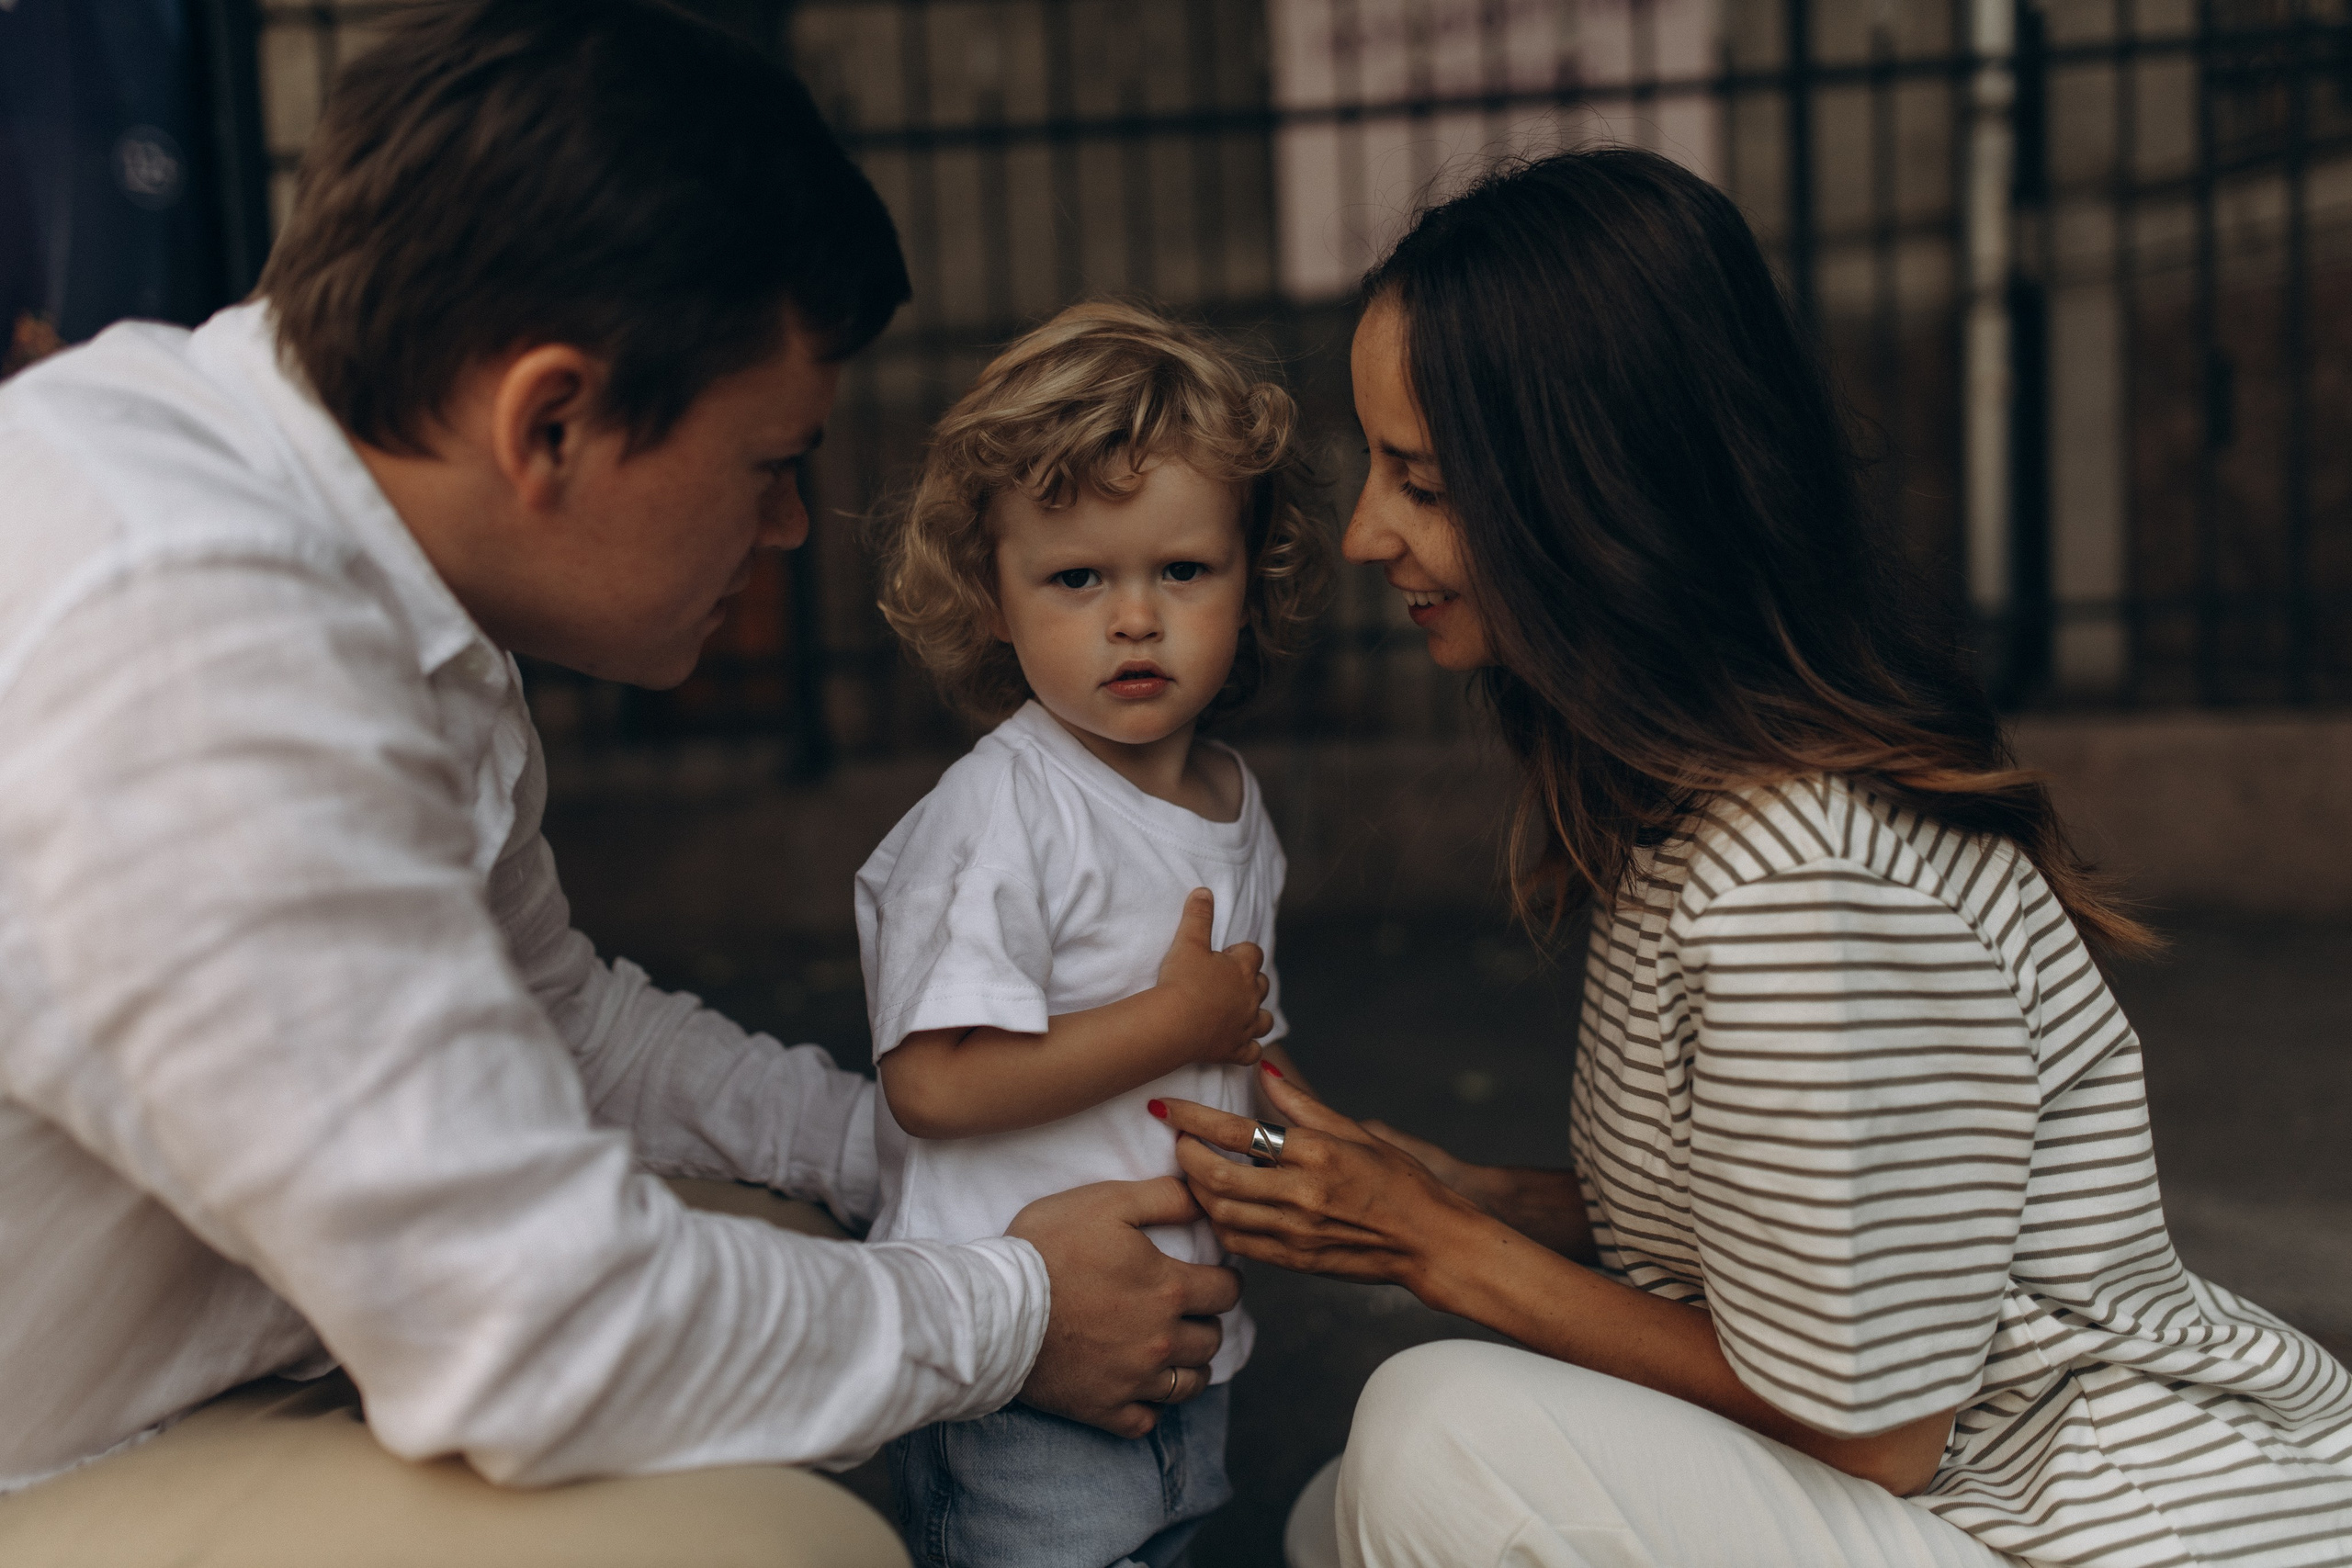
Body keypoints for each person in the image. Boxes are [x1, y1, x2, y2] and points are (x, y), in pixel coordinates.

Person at [0, 6, 1242, 1563]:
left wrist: (921, 1164)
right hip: (52, 1457)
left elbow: (555, 1024)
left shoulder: (310, 520)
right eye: (768, 462)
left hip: (217, 1340)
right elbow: (540, 1330)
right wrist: (1017, 1303)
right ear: (553, 418)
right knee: (779, 1546)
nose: (789, 528)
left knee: (806, 1268)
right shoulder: (190, 649)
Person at [1155, 150, 2352, 1568]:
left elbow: (1875, 1428)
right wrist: (1465, 1192)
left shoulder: (1800, 882)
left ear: (1585, 492)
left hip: (2120, 1537)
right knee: (1343, 1514)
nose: (1367, 534)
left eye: (1417, 478)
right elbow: (1784, 1232)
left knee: (1441, 1442)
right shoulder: (1697, 809)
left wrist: (1436, 1244)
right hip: (1967, 1499)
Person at [858, 301, 1328, 1568]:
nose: (1134, 617)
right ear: (994, 599)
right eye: (1077, 579)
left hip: (1176, 1346)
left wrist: (1295, 1150)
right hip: (1023, 1381)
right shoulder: (1000, 813)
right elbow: (930, 1081)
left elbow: (1235, 1062)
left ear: (1250, 572)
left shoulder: (1231, 803)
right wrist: (1171, 1023)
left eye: (1182, 571)